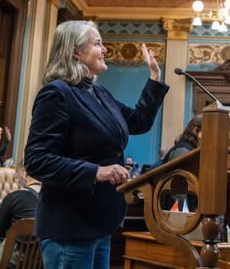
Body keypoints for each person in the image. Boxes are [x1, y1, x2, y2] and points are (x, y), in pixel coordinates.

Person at [24, 20, 169, 269]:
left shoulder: (99, 93)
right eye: (98, 43)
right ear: (76, 51)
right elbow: (36, 160)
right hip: (69, 225)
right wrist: (96, 171)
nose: (105, 50)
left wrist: (155, 77)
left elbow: (139, 122)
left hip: (99, 222)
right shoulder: (57, 94)